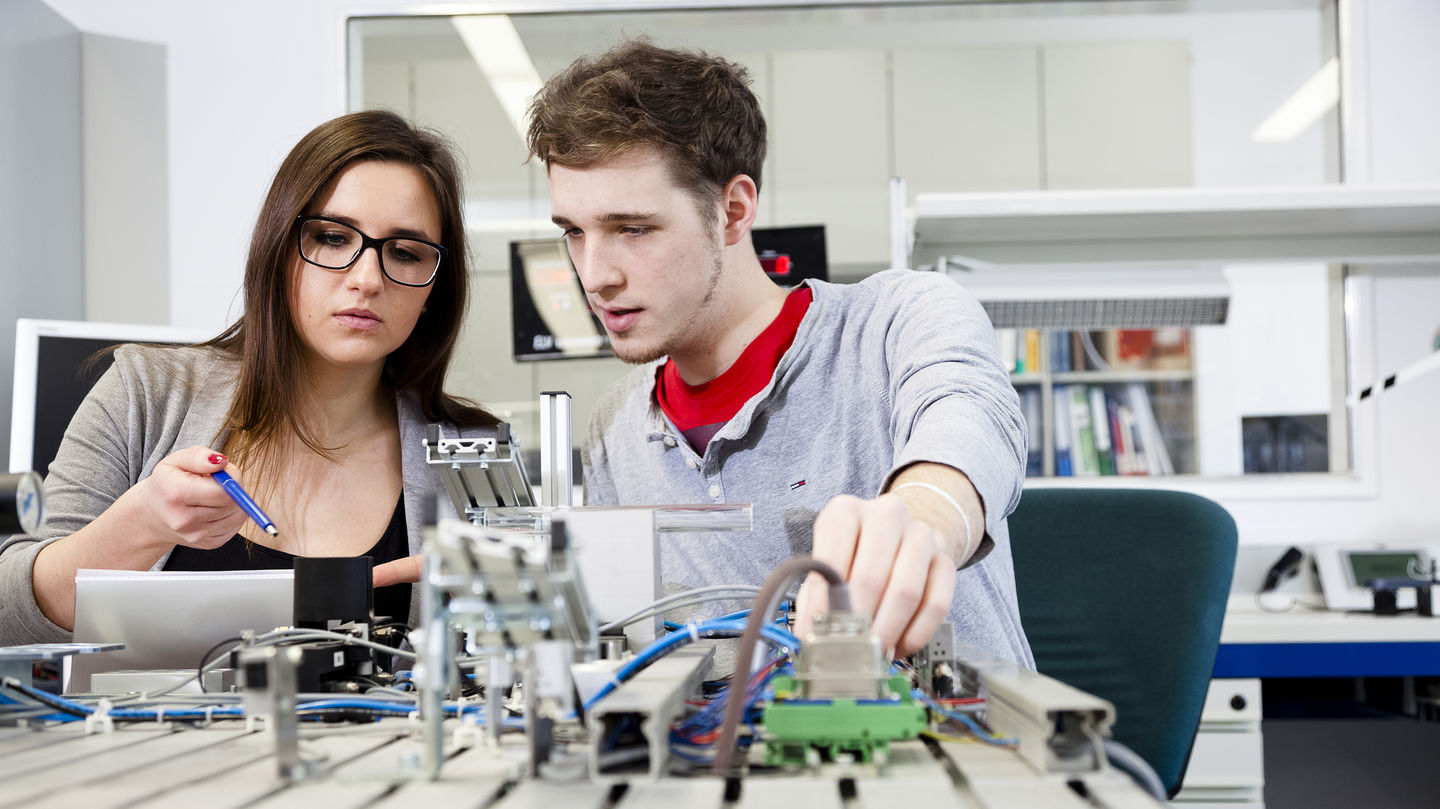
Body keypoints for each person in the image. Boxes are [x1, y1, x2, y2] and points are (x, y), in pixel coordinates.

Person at [525, 40, 1032, 664]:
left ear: (733, 211)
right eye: (573, 232)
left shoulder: (895, 323)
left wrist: (928, 510)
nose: (594, 275)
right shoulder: (616, 430)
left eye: (633, 228)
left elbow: (970, 418)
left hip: (948, 746)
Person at [0, 110, 497, 646]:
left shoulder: (470, 451)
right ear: (278, 250)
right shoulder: (147, 392)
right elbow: (11, 618)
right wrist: (142, 524)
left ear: (432, 292)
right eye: (332, 237)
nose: (367, 279)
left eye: (405, 252)